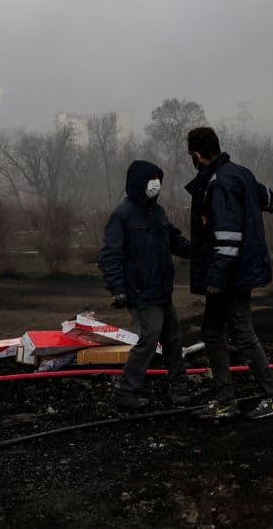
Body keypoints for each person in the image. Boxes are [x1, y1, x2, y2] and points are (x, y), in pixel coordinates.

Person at [184, 126, 273, 420]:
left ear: (196, 154)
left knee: (242, 334)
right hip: (234, 270)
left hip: (231, 274)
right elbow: (271, 200)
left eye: (190, 155)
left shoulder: (219, 183)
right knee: (212, 332)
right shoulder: (241, 173)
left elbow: (228, 238)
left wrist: (215, 279)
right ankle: (225, 401)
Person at [98, 160, 193, 409]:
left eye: (157, 179)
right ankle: (125, 391)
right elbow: (110, 255)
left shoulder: (157, 212)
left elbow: (174, 239)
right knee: (148, 340)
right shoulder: (123, 215)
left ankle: (179, 388)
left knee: (173, 340)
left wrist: (197, 250)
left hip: (162, 290)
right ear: (139, 183)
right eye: (151, 179)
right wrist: (117, 289)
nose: (156, 184)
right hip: (141, 293)